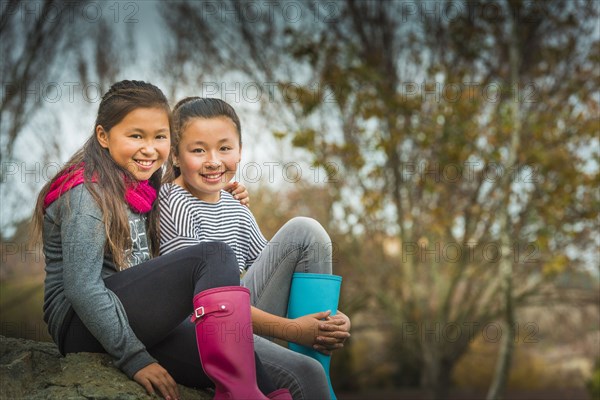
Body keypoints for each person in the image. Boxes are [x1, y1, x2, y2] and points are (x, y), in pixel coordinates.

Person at [32, 80, 290, 400]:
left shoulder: (141, 188)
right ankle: (238, 393)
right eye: (136, 135)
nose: (150, 148)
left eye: (160, 136)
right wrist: (134, 358)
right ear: (103, 136)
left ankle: (245, 392)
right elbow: (82, 288)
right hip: (81, 326)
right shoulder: (87, 194)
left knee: (244, 360)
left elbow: (180, 194)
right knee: (214, 255)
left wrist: (218, 191)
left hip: (135, 318)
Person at [159, 97, 352, 400]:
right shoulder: (174, 203)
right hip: (209, 331)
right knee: (305, 375)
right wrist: (291, 329)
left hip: (246, 321)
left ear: (239, 150)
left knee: (306, 230)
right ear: (175, 156)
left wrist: (333, 319)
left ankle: (319, 355)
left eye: (225, 148)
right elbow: (195, 303)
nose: (213, 160)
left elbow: (279, 279)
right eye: (198, 150)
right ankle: (313, 374)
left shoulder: (236, 208)